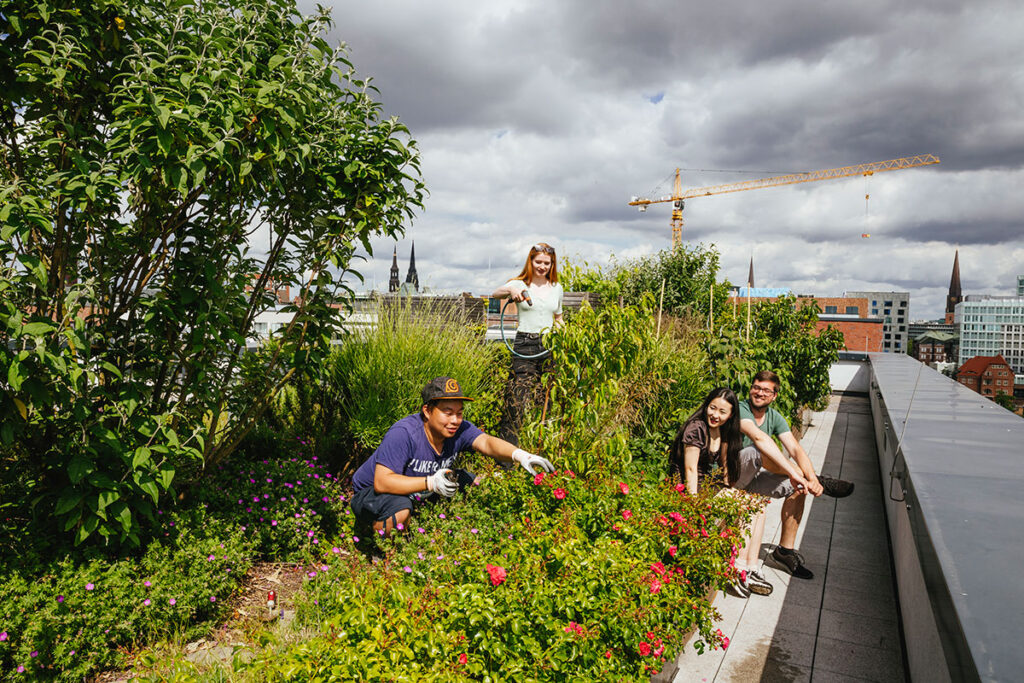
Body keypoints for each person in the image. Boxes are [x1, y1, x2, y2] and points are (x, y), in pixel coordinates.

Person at [349, 377, 555, 536]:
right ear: (428, 411)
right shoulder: (403, 433)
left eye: (459, 413)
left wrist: (520, 455)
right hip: (372, 494)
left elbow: (486, 442)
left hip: (418, 489)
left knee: (475, 483)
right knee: (401, 510)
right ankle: (378, 545)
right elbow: (382, 482)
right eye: (448, 412)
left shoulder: (458, 430)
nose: (455, 420)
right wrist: (430, 482)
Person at [670, 387, 810, 598]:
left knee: (757, 503)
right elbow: (690, 470)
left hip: (711, 485)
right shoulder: (696, 428)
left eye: (722, 412)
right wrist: (693, 507)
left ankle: (749, 568)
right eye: (712, 408)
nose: (715, 415)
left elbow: (725, 469)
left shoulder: (724, 430)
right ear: (706, 405)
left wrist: (730, 491)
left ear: (730, 415)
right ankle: (735, 571)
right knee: (746, 505)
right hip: (693, 489)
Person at [734, 370, 855, 580]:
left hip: (753, 479)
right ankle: (818, 480)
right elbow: (759, 438)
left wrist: (811, 480)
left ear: (774, 396)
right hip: (732, 475)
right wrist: (796, 472)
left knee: (799, 487)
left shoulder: (774, 417)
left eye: (766, 390)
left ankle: (784, 552)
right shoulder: (740, 410)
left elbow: (796, 449)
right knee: (760, 448)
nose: (759, 393)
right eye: (756, 387)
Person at [491, 243, 564, 445]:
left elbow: (558, 318)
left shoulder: (557, 288)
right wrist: (512, 289)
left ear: (552, 265)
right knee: (517, 399)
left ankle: (542, 448)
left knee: (547, 399)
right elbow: (496, 293)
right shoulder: (521, 284)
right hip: (525, 343)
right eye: (538, 262)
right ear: (531, 262)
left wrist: (565, 334)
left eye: (546, 263)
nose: (542, 266)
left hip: (550, 345)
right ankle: (508, 455)